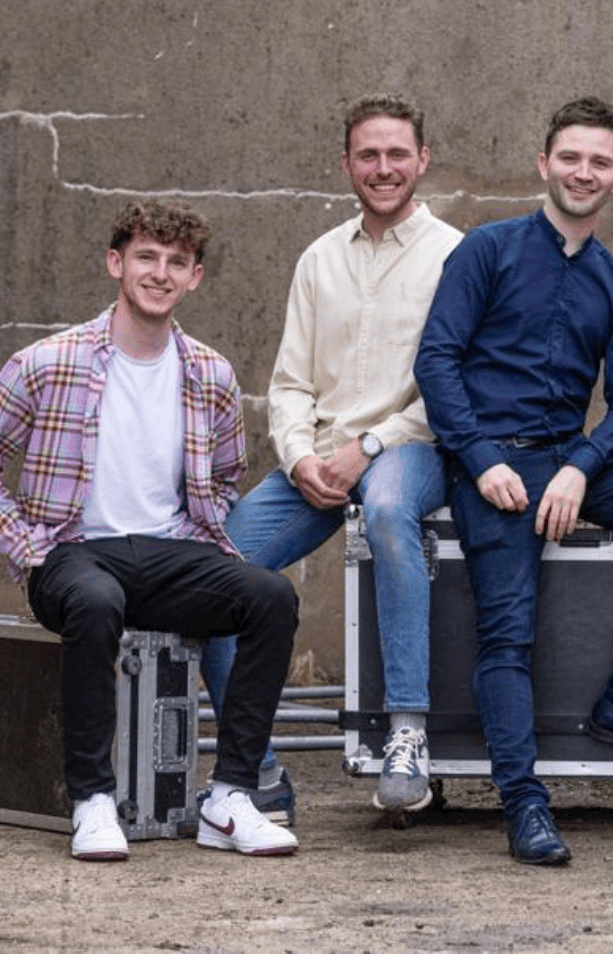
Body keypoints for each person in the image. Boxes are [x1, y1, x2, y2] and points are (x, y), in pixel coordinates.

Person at [0, 200, 299, 861]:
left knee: (270, 597)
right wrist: (30, 546)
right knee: (97, 599)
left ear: (194, 277)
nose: (160, 273)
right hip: (73, 555)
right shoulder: (45, 363)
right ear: (116, 263)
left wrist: (199, 537)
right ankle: (93, 799)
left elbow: (225, 478)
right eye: (145, 257)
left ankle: (228, 799)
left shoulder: (211, 374)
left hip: (168, 554)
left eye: (176, 263)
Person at [414, 97, 613, 866]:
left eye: (600, 162)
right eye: (571, 158)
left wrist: (582, 466)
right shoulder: (485, 250)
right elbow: (437, 362)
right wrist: (482, 463)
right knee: (506, 634)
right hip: (492, 464)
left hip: (571, 458)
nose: (584, 173)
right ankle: (524, 804)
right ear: (544, 163)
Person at [200, 94, 462, 821]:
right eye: (368, 155)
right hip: (317, 463)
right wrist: (298, 458)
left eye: (397, 154)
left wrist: (367, 447)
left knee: (384, 506)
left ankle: (407, 732)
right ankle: (258, 773)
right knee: (215, 572)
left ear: (423, 160)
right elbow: (289, 384)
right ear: (347, 163)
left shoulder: (458, 255)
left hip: (411, 447)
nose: (383, 168)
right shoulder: (318, 259)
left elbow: (454, 392)